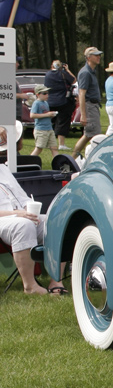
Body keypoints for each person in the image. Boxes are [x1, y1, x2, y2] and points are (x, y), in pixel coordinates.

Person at [0, 127, 65, 296]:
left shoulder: (2, 169)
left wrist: (29, 207)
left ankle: (56, 279)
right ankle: (30, 286)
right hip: (5, 218)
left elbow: (22, 197)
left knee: (56, 221)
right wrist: (19, 214)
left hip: (20, 214)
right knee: (23, 225)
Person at [71, 47, 103, 160]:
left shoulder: (91, 71)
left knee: (89, 135)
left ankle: (74, 158)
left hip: (93, 105)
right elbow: (81, 94)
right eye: (96, 55)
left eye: (99, 55)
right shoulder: (85, 73)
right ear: (88, 57)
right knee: (93, 135)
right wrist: (83, 115)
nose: (99, 57)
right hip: (89, 106)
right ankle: (75, 158)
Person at [43, 59, 77, 151]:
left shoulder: (48, 74)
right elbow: (74, 80)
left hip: (50, 101)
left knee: (48, 122)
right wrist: (67, 70)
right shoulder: (63, 74)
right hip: (62, 101)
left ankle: (45, 142)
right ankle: (61, 144)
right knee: (62, 122)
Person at [29, 86, 59, 158]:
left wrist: (50, 115)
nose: (47, 95)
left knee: (54, 147)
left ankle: (59, 164)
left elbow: (45, 114)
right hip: (41, 130)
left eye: (48, 93)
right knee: (39, 148)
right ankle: (28, 161)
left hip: (49, 128)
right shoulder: (36, 103)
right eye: (44, 93)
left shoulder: (45, 103)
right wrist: (46, 115)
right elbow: (32, 115)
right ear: (38, 94)